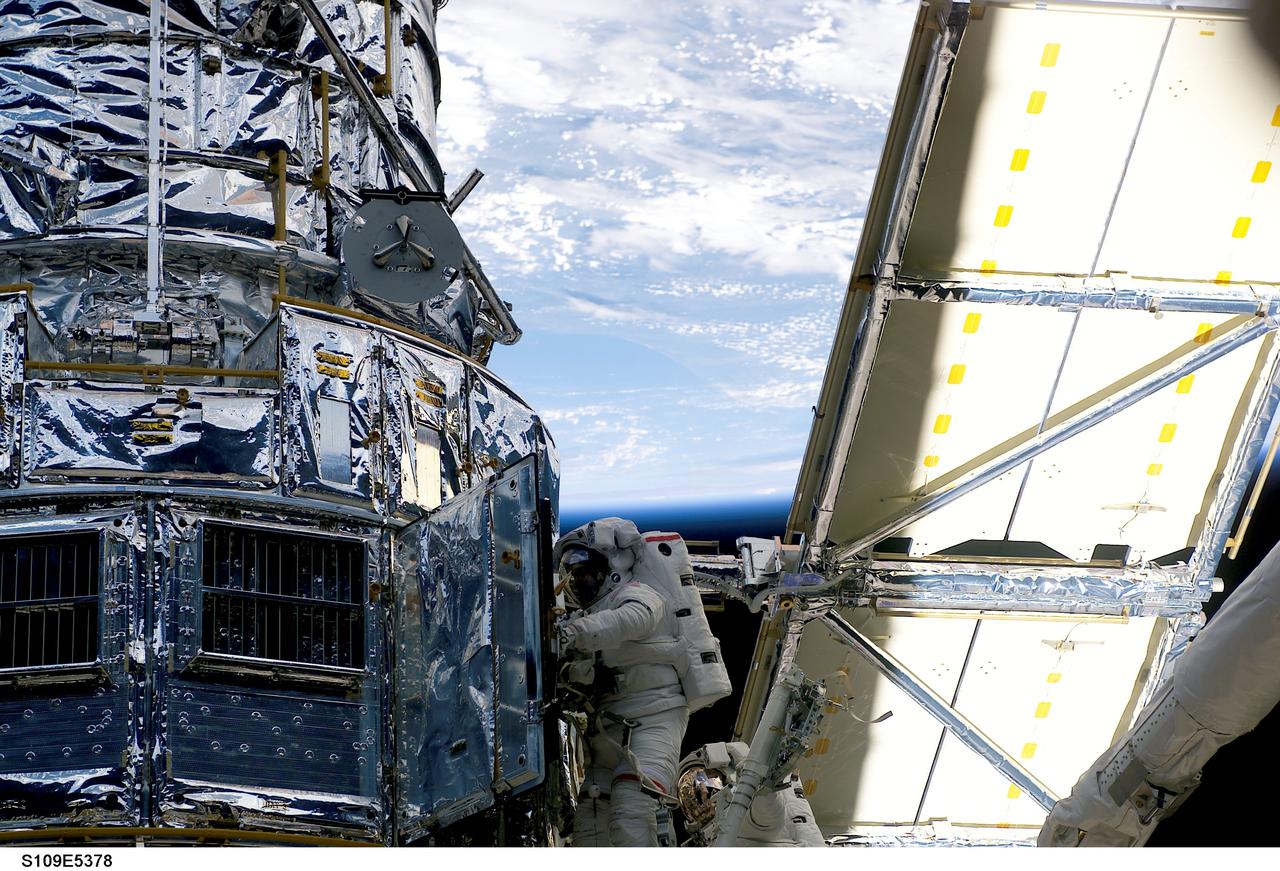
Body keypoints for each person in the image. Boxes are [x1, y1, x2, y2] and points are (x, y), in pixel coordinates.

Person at [555, 518, 690, 847]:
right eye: (572, 576)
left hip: (653, 719)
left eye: (585, 573)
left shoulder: (638, 594)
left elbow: (633, 620)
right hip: (607, 733)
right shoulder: (584, 618)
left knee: (633, 813)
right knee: (590, 826)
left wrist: (572, 635)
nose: (579, 583)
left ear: (611, 567)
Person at [676, 742, 825, 847]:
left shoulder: (745, 817)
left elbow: (769, 808)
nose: (703, 799)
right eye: (690, 800)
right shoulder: (730, 827)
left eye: (709, 784)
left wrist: (751, 774)